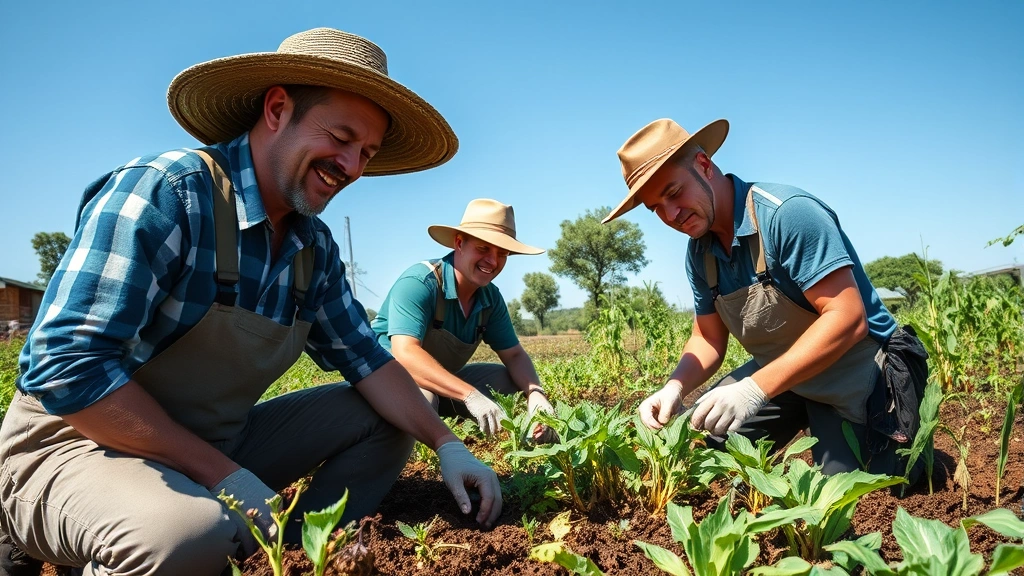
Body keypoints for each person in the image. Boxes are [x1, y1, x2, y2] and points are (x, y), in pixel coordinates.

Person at [0, 28, 502, 576]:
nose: (353, 167)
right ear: (278, 109)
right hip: (77, 445)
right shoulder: (168, 193)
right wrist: (224, 477)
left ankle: (293, 558)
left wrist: (447, 442)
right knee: (183, 538)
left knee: (394, 415)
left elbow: (370, 360)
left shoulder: (313, 248)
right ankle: (125, 542)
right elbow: (65, 366)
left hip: (211, 447)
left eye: (367, 153)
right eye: (340, 137)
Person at [607, 118, 928, 477]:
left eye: (673, 193)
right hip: (784, 371)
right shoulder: (700, 254)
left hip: (857, 369)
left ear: (704, 166)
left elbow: (848, 317)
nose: (671, 215)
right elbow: (708, 338)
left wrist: (755, 389)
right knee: (707, 447)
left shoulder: (787, 215)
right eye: (656, 209)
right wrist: (675, 386)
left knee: (850, 494)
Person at [371, 199, 555, 442]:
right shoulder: (420, 283)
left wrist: (535, 393)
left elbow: (514, 355)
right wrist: (470, 396)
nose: (493, 261)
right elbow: (405, 354)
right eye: (483, 248)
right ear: (459, 243)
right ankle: (399, 451)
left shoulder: (490, 298)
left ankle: (531, 437)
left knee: (507, 380)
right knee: (422, 399)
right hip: (387, 379)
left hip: (443, 384)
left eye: (502, 253)